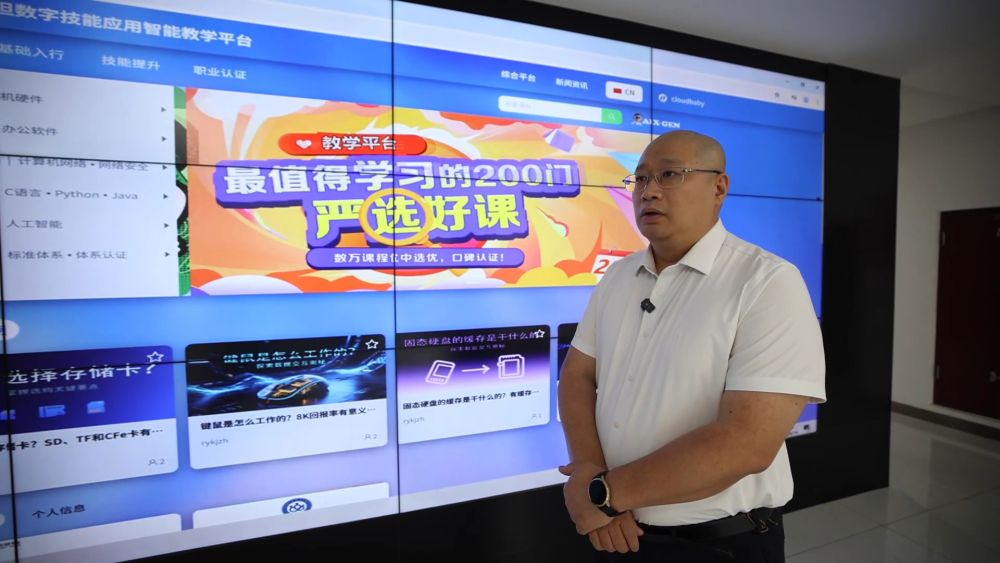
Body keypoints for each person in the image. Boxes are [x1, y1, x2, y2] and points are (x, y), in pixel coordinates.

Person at [558, 130, 826, 561]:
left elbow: (748, 442)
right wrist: (592, 477)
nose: (649, 191)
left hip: (719, 542)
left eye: (669, 174)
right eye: (640, 179)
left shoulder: (767, 282)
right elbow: (577, 373)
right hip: (615, 529)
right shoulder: (618, 276)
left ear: (719, 187)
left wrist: (604, 494)